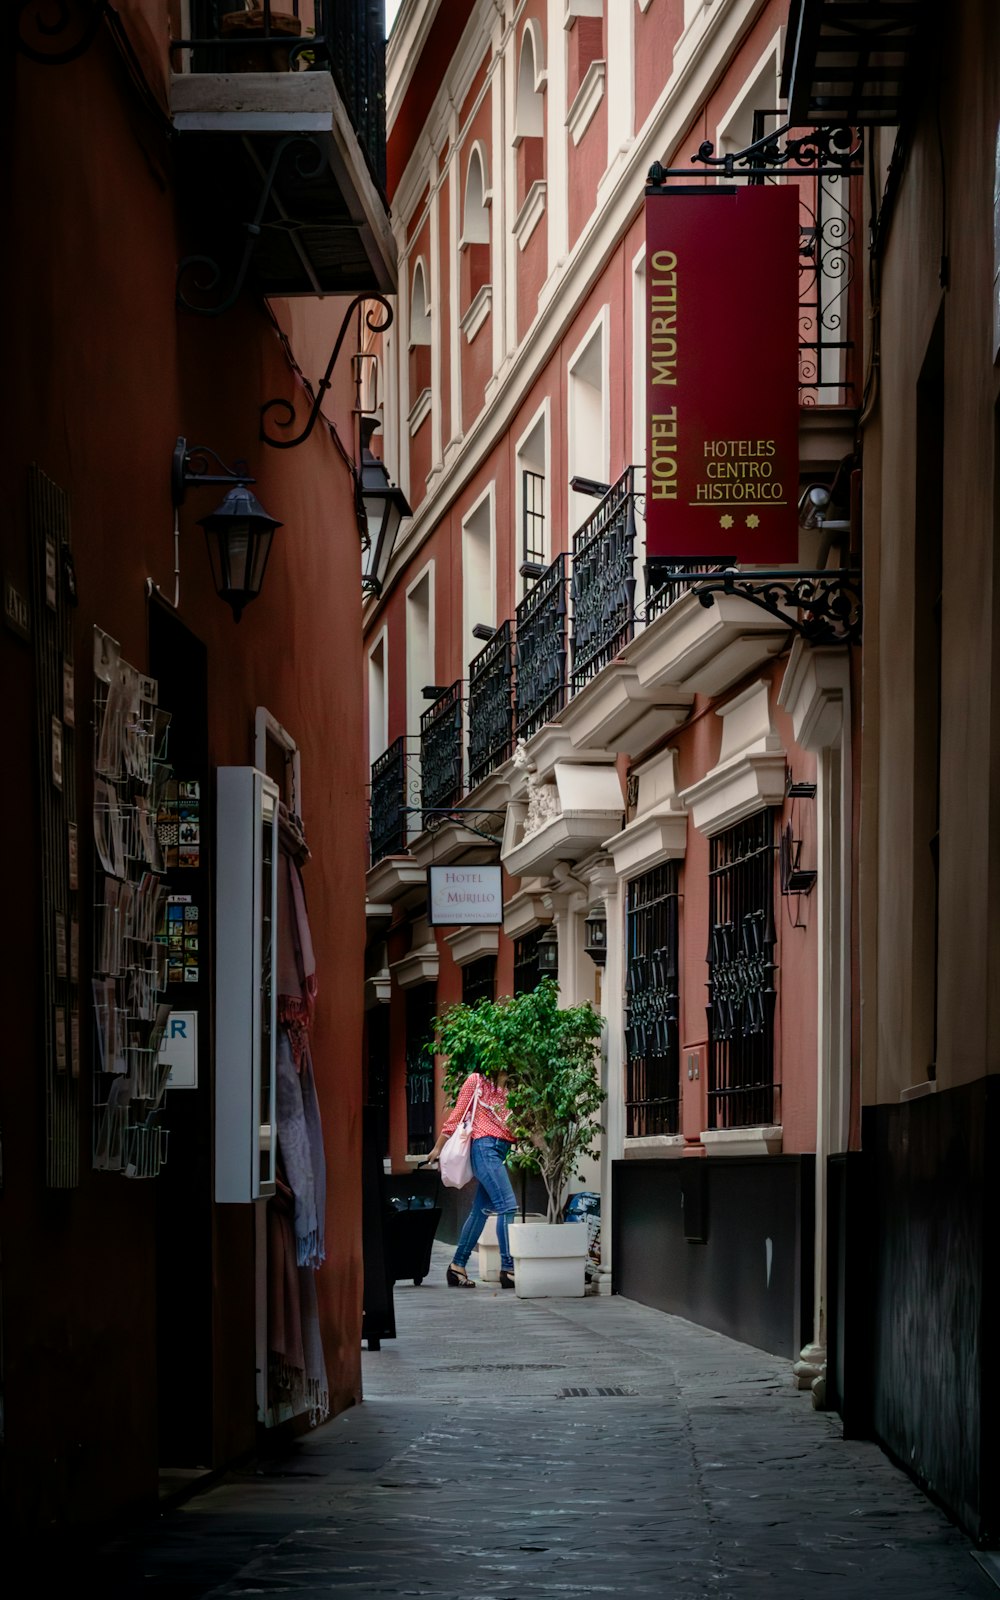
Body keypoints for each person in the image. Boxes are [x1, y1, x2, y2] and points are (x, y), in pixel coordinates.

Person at [426, 1064, 518, 1289]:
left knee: (481, 1210)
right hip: (484, 1149)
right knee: (507, 1206)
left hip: (501, 1150)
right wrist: (438, 1147)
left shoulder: (512, 1085)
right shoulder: (476, 1080)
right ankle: (508, 1269)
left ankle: (457, 1266)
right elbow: (457, 1114)